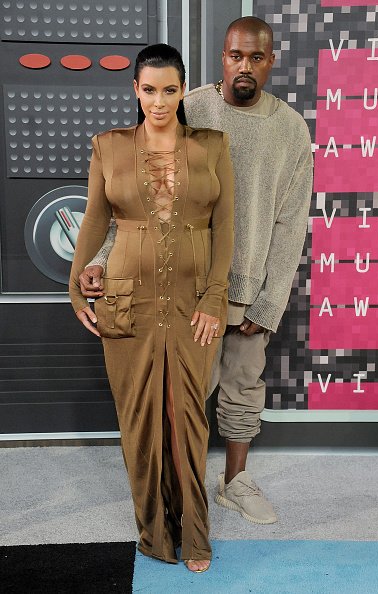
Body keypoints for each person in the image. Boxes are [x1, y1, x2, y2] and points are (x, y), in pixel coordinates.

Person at [78, 17, 313, 525]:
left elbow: (291, 220)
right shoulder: (192, 106)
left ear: (271, 60)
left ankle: (235, 482)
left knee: (243, 384)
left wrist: (270, 301)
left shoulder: (291, 128)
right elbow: (141, 203)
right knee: (178, 396)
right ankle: (177, 492)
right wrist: (97, 261)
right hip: (184, 283)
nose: (244, 66)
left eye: (255, 57)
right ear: (221, 57)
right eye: (235, 56)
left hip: (249, 284)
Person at [69, 43, 234, 573]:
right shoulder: (108, 146)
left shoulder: (212, 144)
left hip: (194, 304)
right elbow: (96, 220)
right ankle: (155, 534)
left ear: (183, 90)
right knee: (138, 420)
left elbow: (224, 226)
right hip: (126, 298)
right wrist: (79, 279)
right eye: (148, 90)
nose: (158, 101)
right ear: (134, 91)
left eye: (169, 90)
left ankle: (196, 534)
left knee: (186, 417)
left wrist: (215, 295)